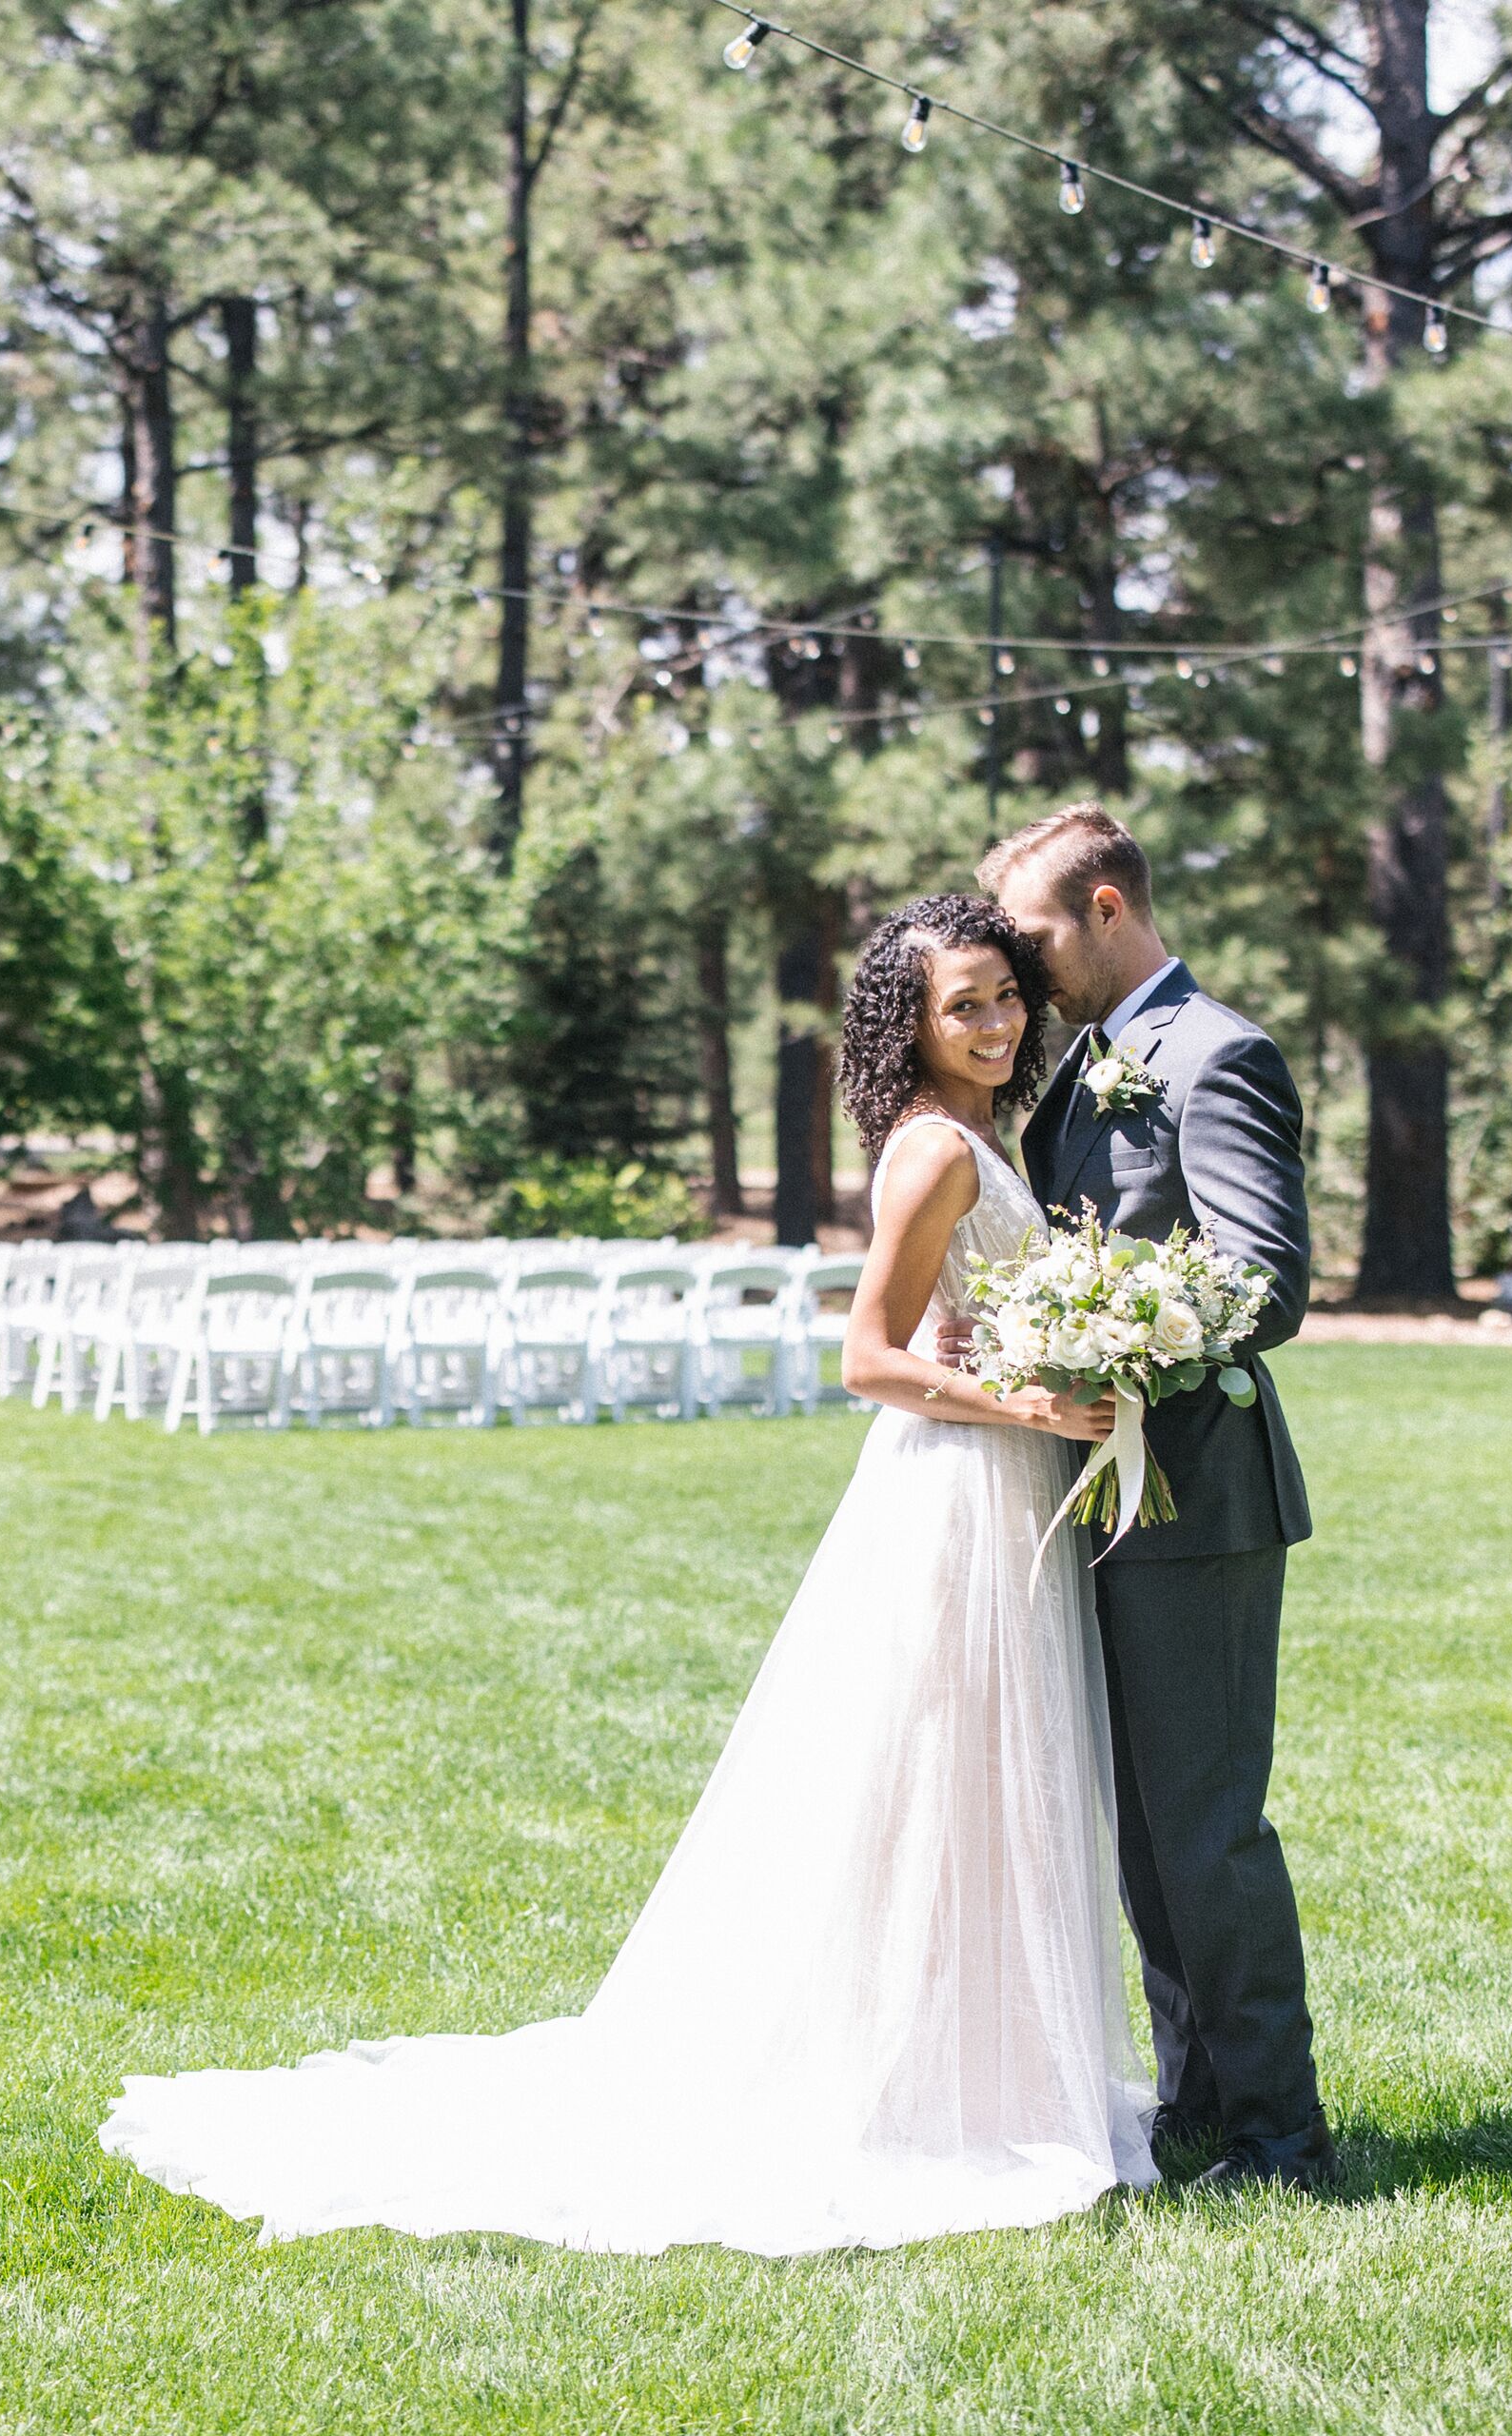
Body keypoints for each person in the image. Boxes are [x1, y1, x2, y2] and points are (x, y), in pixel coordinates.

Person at [97, 894, 1160, 2257]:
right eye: (968, 1004)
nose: (1001, 1022)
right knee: (933, 1780)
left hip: (1000, 1486)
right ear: (914, 1021)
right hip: (955, 1490)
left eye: (1008, 995)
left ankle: (977, 2068)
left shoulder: (975, 1136)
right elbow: (868, 1360)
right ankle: (907, 2080)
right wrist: (1028, 1407)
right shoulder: (934, 1152)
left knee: (976, 1789)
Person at [981, 802, 1334, 2193]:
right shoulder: (1083, 1069)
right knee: (1143, 1833)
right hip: (1097, 1495)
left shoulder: (1216, 1055)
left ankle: (1283, 2140)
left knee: (1207, 1828)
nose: (1024, 961)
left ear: (1109, 909)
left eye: (1037, 931)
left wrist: (1100, 1328)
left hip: (1198, 1496)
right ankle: (1197, 2107)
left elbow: (1263, 1281)